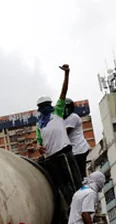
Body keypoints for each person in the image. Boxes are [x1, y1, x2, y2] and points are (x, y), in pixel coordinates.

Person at [34, 64, 81, 205]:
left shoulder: (57, 112)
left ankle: (82, 209)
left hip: (63, 153)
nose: (44, 108)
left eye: (46, 105)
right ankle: (71, 210)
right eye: (42, 107)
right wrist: (38, 147)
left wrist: (67, 74)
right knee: (62, 188)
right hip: (51, 158)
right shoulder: (39, 124)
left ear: (50, 105)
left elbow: (63, 92)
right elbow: (39, 141)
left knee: (74, 183)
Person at [63, 98, 92, 180]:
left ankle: (84, 189)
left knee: (80, 174)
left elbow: (65, 133)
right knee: (74, 175)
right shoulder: (63, 120)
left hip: (79, 149)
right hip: (73, 150)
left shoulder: (73, 117)